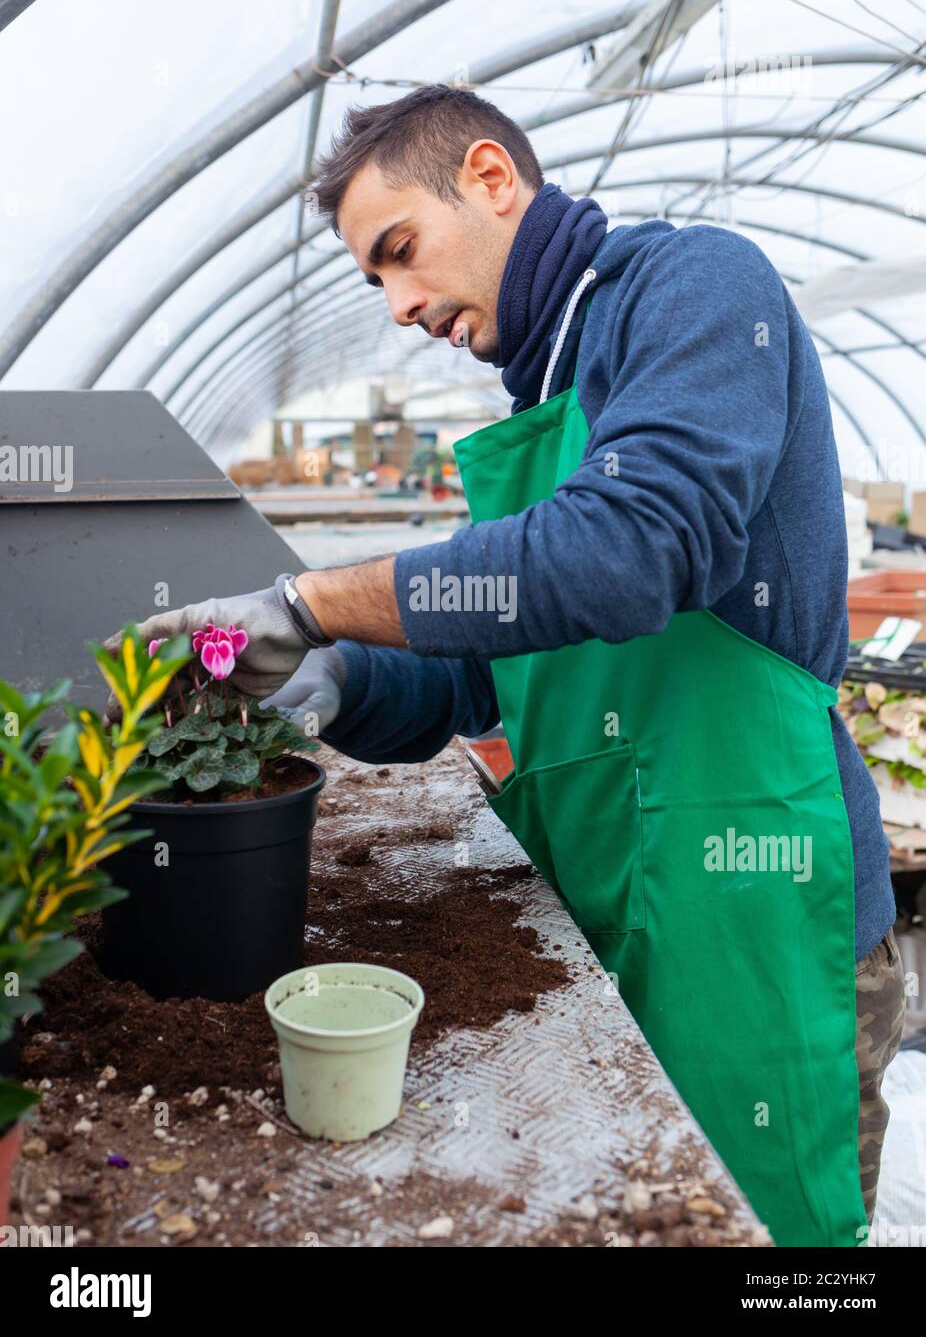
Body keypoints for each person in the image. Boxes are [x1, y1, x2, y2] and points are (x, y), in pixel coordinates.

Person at [108, 84, 904, 1247]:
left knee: (765, 1235)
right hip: (614, 893)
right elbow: (484, 676)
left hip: (757, 906)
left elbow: (631, 551)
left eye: (399, 253)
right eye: (372, 280)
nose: (396, 304)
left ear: (489, 179)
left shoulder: (692, 289)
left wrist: (309, 598)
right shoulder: (537, 395)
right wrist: (323, 675)